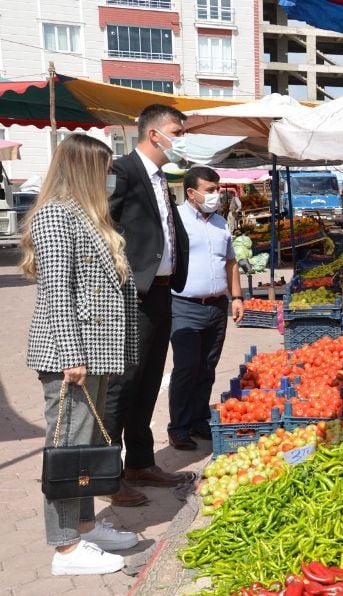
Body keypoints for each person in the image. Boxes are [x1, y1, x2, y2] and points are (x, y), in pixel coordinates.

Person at [22, 135, 141, 575]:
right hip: (71, 352)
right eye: (106, 168)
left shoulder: (88, 216)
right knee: (68, 445)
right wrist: (72, 355)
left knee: (88, 445)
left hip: (97, 350)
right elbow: (57, 290)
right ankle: (65, 546)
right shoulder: (55, 214)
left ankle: (85, 526)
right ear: (85, 170)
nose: (111, 176)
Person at [103, 103, 193, 507]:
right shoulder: (122, 170)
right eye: (178, 131)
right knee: (122, 385)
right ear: (155, 134)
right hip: (131, 294)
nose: (182, 139)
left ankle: (140, 461)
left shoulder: (161, 178)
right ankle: (106, 474)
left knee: (150, 379)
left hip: (161, 292)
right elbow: (100, 224)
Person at [167, 167, 245, 450]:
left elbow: (231, 262)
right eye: (209, 190)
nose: (215, 195)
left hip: (217, 306)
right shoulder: (174, 220)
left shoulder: (220, 222)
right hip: (184, 305)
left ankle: (199, 420)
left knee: (207, 367)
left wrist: (237, 297)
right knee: (186, 367)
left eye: (217, 189)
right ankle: (179, 426)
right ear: (191, 192)